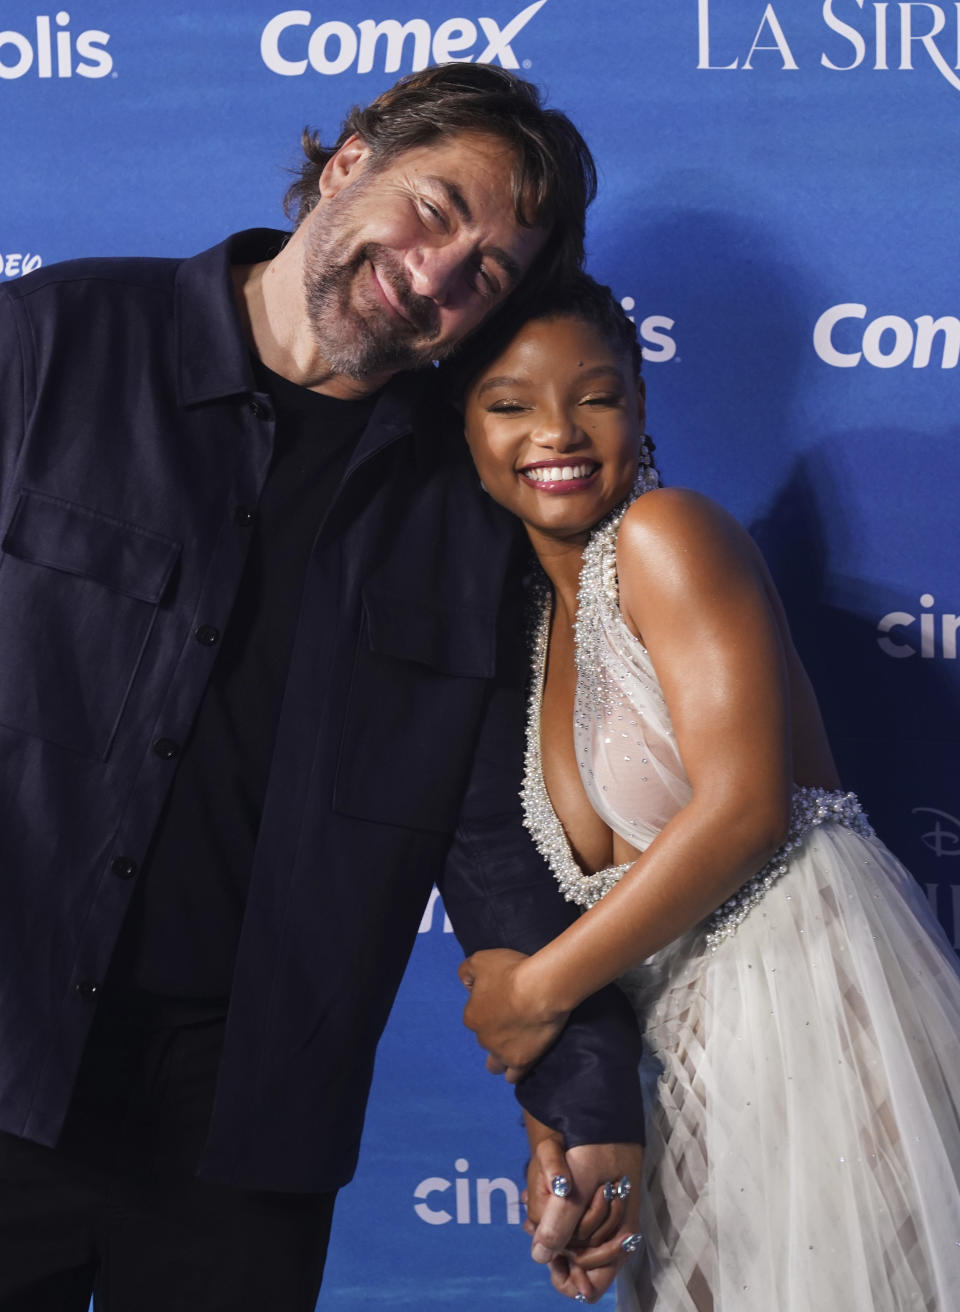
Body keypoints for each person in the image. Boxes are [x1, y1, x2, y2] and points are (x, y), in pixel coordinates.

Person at [0, 68, 647, 1311]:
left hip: (245, 1128)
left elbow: (488, 815)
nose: (440, 272)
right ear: (348, 163)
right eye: (437, 207)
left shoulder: (465, 505)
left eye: (491, 273)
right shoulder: (54, 340)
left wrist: (581, 1091)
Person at [454, 275, 960, 1308]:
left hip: (817, 1005)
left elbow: (743, 810)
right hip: (683, 1066)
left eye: (594, 395)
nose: (557, 430)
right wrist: (560, 1129)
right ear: (460, 427)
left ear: (640, 405)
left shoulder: (669, 535)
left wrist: (535, 995)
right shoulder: (520, 632)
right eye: (509, 402)